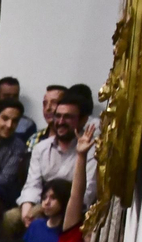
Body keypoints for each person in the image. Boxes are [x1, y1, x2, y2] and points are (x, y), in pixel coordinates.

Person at [20, 90, 97, 224]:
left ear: (83, 120)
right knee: (12, 219)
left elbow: (87, 194)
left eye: (68, 117)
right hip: (43, 205)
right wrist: (27, 210)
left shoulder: (92, 149)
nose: (61, 122)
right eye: (58, 116)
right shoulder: (41, 147)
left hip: (73, 210)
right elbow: (33, 185)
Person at [0, 97, 30, 209]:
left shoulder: (18, 146)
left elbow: (5, 179)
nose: (9, 125)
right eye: (5, 118)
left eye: (15, 121)